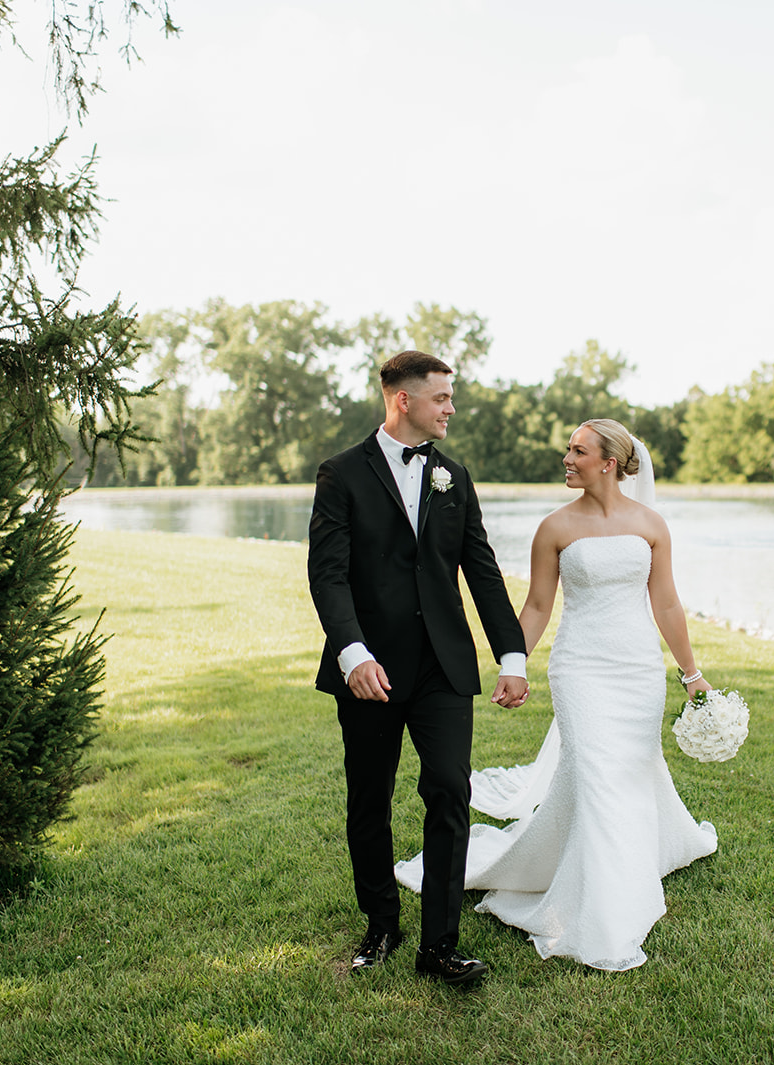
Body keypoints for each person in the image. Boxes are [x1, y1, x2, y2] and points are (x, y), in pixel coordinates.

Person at [396, 418, 718, 971]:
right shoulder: (554, 528)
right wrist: (513, 664)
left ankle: (615, 875)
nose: (566, 459)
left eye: (577, 451)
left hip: (637, 668)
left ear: (609, 462)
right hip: (581, 669)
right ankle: (604, 909)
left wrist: (691, 675)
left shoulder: (652, 525)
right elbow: (539, 605)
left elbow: (665, 603)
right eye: (568, 449)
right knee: (595, 772)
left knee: (627, 773)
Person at [307, 350, 529, 986]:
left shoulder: (454, 476)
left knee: (450, 792)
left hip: (442, 667)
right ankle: (381, 924)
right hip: (369, 671)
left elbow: (482, 572)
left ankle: (440, 948)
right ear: (404, 400)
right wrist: (353, 653)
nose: (451, 408)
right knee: (369, 800)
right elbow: (328, 574)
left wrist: (509, 655)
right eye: (442, 398)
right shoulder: (341, 474)